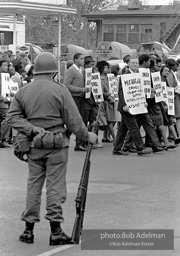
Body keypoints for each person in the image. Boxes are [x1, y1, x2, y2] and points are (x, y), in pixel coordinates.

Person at [7, 52, 97, 246]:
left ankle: (28, 230)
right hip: (57, 144)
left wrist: (32, 129)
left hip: (34, 144)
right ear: (54, 71)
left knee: (33, 185)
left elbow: (12, 117)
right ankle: (55, 231)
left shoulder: (23, 91)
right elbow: (73, 120)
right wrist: (87, 136)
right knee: (55, 186)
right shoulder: (60, 90)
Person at [64, 52, 89, 151]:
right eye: (81, 59)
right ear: (75, 60)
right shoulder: (71, 70)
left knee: (82, 119)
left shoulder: (82, 70)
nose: (83, 60)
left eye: (83, 59)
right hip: (74, 97)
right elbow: (66, 85)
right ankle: (77, 142)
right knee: (77, 120)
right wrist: (81, 89)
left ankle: (80, 142)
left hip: (82, 98)